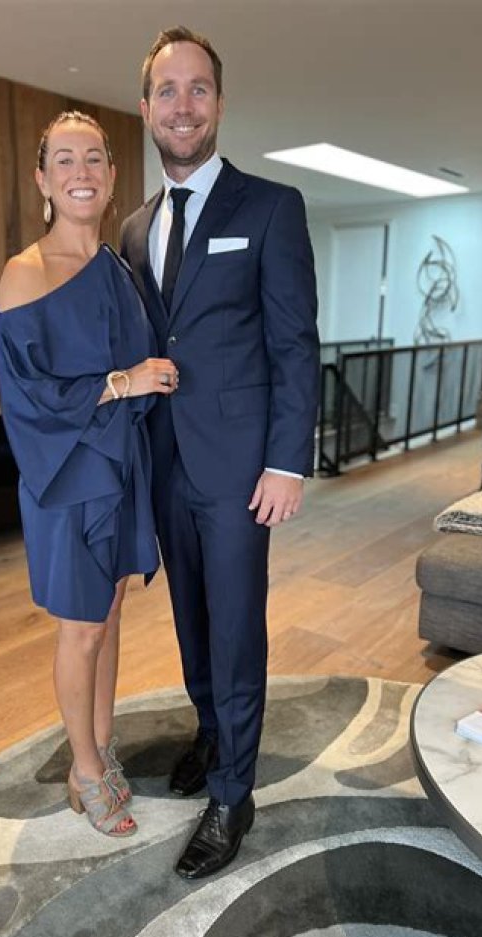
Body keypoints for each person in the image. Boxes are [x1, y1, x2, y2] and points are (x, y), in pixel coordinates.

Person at [120, 28, 320, 878]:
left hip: (242, 470)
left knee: (236, 626)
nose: (184, 106)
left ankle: (234, 793)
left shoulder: (270, 207)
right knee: (192, 620)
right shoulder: (134, 228)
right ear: (146, 108)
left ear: (220, 103)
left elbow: (295, 345)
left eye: (198, 89)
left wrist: (287, 461)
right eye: (167, 91)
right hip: (166, 461)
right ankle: (212, 731)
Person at [0, 111, 178, 838]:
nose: (82, 172)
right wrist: (123, 382)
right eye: (65, 160)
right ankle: (83, 770)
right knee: (80, 628)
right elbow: (30, 397)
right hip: (65, 476)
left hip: (120, 467)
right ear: (42, 180)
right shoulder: (26, 273)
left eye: (94, 158)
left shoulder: (120, 271)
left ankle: (100, 748)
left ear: (111, 176)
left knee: (109, 614)